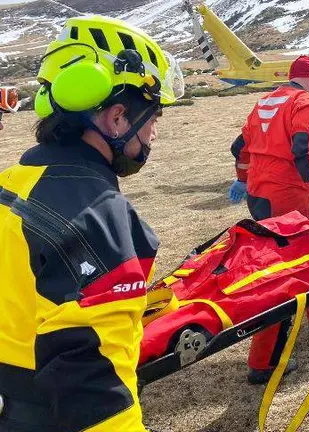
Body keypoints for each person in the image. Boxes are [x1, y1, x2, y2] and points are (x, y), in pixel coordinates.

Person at [0, 15, 183, 432]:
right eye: (153, 118)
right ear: (118, 117)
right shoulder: (97, 216)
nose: (153, 134)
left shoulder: (13, 182)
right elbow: (96, 391)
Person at [226, 55, 309, 384]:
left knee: (302, 257)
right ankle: (264, 361)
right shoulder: (306, 105)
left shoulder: (265, 101)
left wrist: (243, 179)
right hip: (288, 197)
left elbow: (240, 148)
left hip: (259, 196)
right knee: (285, 271)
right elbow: (307, 153)